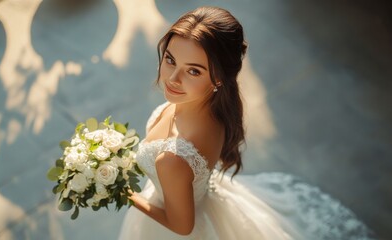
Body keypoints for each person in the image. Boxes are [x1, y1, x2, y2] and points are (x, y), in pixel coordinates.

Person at [118, 6, 373, 240]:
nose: (173, 78)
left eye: (193, 70)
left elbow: (183, 227)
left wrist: (123, 193)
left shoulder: (172, 160)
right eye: (171, 59)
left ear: (218, 79)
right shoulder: (214, 109)